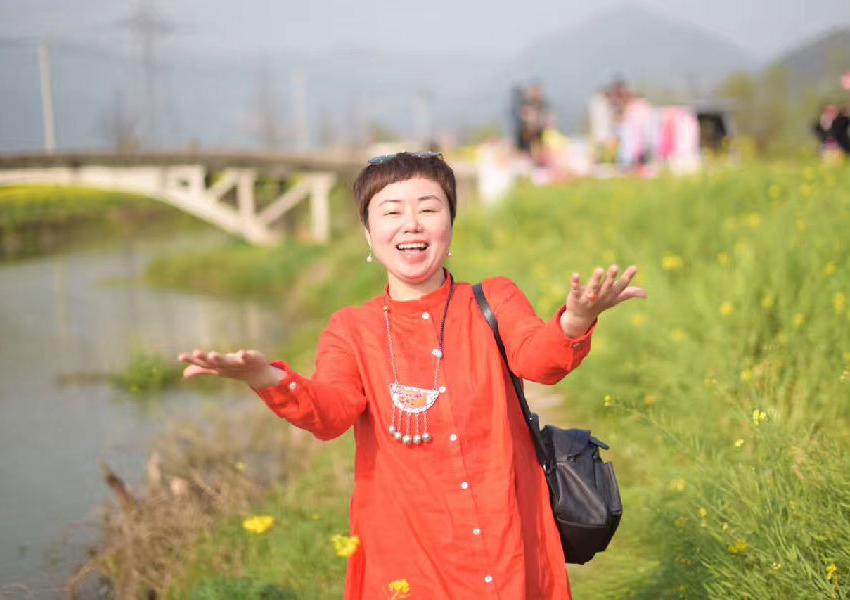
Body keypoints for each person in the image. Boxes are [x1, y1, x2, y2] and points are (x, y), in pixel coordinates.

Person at [179, 152, 646, 599]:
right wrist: (266, 377)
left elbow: (539, 361)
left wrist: (575, 321)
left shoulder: (494, 299)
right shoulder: (351, 330)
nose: (411, 224)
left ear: (450, 225)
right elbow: (331, 413)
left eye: (428, 208)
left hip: (508, 531)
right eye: (391, 211)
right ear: (368, 233)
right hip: (408, 552)